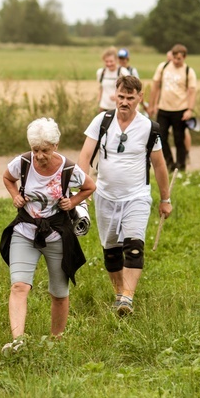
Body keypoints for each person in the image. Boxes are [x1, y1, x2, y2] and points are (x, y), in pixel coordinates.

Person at [78, 75, 172, 316]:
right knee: (111, 251)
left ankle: (128, 298)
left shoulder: (149, 128)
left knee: (133, 247)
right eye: (121, 97)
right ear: (115, 96)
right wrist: (83, 185)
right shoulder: (102, 121)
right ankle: (119, 293)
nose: (125, 102)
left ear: (140, 98)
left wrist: (165, 199)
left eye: (130, 98)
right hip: (105, 196)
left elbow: (160, 166)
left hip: (137, 196)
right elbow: (85, 154)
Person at [0, 118, 95, 351]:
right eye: (35, 150)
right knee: (19, 286)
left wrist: (71, 202)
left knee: (59, 293)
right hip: (25, 231)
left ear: (56, 145)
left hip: (56, 234)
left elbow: (89, 187)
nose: (39, 156)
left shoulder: (68, 168)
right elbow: (7, 178)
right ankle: (17, 342)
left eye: (45, 150)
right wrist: (15, 196)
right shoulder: (22, 162)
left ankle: (56, 341)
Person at [148, 44, 197, 171]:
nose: (176, 61)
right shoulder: (163, 67)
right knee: (160, 137)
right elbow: (155, 87)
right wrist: (152, 105)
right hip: (163, 109)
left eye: (179, 59)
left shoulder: (188, 71)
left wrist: (190, 110)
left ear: (184, 57)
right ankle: (169, 164)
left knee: (179, 140)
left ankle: (180, 167)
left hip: (180, 110)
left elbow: (192, 91)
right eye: (174, 58)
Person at [97, 46, 130, 111]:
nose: (109, 64)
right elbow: (101, 88)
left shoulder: (123, 72)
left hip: (118, 108)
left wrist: (118, 96)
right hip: (104, 107)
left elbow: (129, 89)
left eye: (111, 61)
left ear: (116, 60)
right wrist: (99, 102)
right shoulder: (100, 72)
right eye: (106, 61)